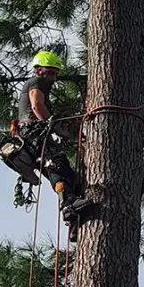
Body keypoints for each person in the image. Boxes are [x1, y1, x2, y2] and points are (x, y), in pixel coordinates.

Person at [17, 50, 91, 225]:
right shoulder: (36, 82)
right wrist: (52, 124)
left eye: (55, 73)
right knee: (57, 165)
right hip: (33, 133)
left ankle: (73, 218)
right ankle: (68, 204)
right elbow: (36, 106)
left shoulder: (40, 83)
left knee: (65, 173)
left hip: (33, 135)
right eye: (49, 72)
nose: (53, 78)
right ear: (38, 71)